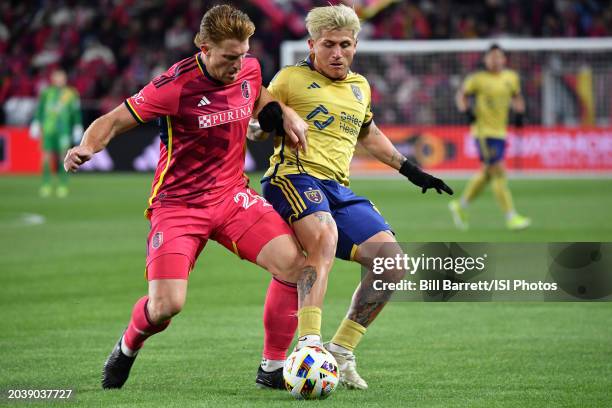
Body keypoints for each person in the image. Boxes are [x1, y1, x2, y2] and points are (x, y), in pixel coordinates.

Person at [64, 4, 329, 390]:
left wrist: (283, 112)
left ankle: (272, 368)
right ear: (202, 47)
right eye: (228, 57)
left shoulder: (249, 68)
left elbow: (259, 94)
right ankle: (127, 345)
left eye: (243, 54)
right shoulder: (173, 86)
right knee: (165, 306)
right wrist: (86, 147)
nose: (238, 65)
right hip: (178, 207)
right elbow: (112, 120)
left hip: (232, 196)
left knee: (298, 269)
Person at [251, 4, 453, 390]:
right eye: (328, 45)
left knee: (392, 264)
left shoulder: (360, 87)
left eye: (345, 45)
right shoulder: (290, 79)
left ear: (356, 45)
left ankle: (341, 350)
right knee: (322, 237)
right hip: (293, 177)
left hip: (338, 189)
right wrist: (266, 125)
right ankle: (309, 342)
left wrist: (411, 170)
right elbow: (258, 124)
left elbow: (369, 135)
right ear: (311, 45)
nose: (337, 53)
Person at [449, 44, 530, 230]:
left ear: (504, 59)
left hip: (500, 132)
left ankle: (460, 206)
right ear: (486, 60)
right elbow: (461, 95)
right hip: (483, 132)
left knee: (487, 173)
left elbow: (517, 97)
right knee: (498, 170)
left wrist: (519, 114)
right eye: (491, 57)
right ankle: (511, 216)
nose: (495, 61)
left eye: (498, 57)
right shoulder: (477, 79)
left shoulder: (511, 78)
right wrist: (466, 111)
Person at [30, 69, 83, 198]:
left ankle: (63, 185)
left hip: (63, 130)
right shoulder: (46, 93)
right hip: (48, 130)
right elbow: (41, 109)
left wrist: (77, 125)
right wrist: (36, 122)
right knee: (46, 157)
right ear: (53, 79)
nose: (60, 80)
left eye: (62, 77)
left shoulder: (71, 94)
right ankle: (46, 184)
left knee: (63, 157)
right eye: (57, 77)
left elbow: (76, 111)